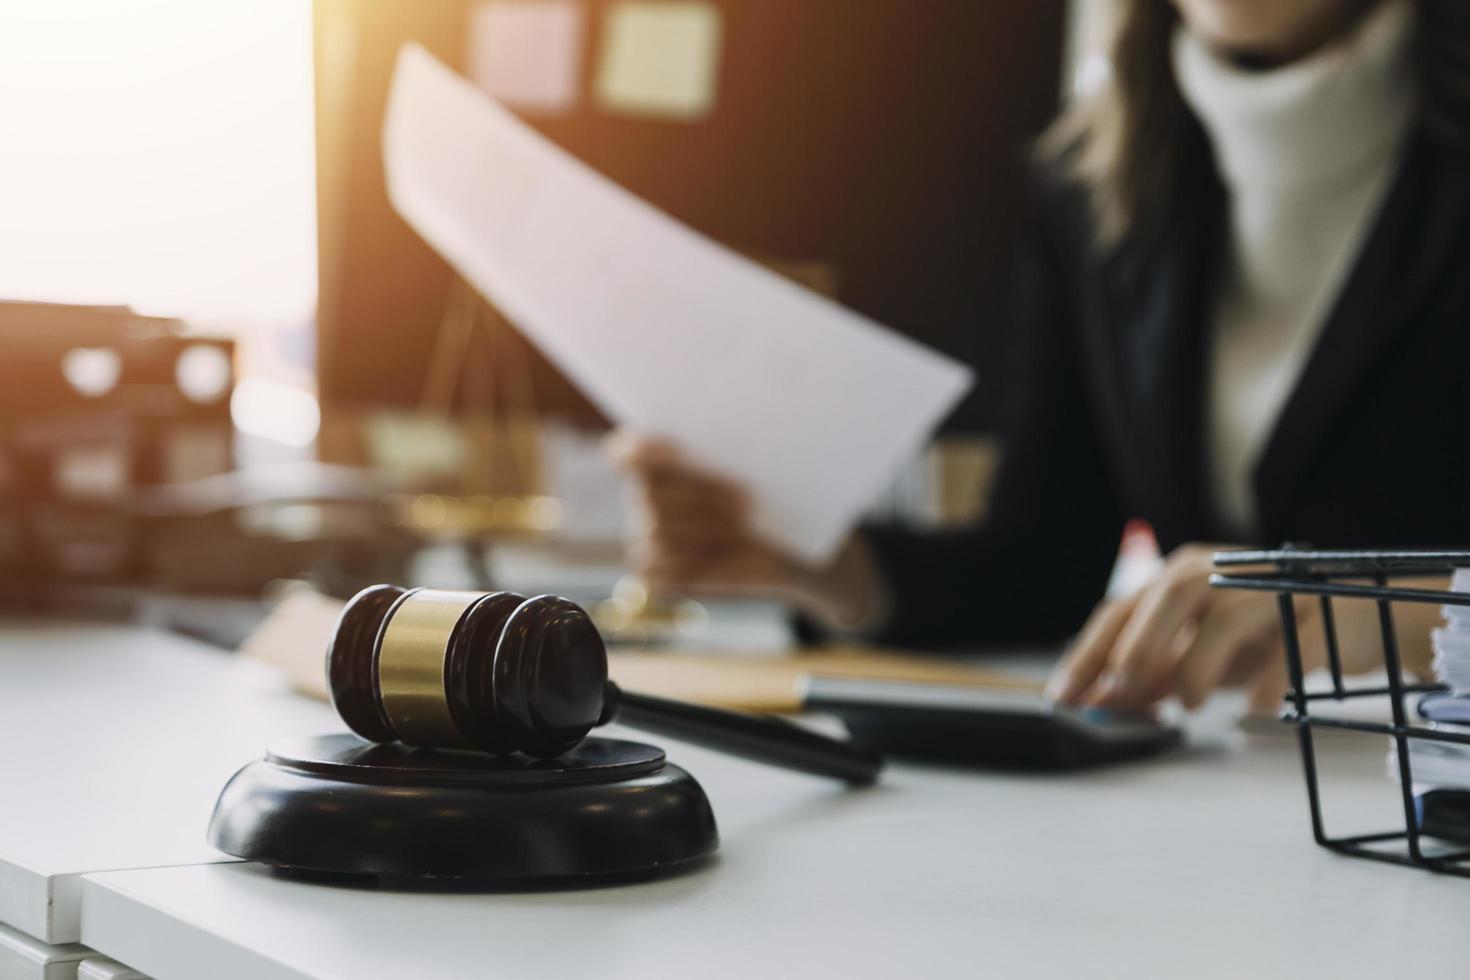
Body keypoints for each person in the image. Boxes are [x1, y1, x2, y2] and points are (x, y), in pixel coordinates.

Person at [611, 0, 1470, 713]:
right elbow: (1044, 565)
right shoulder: (1090, 188)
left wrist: (1391, 617)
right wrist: (830, 568)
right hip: (1213, 813)